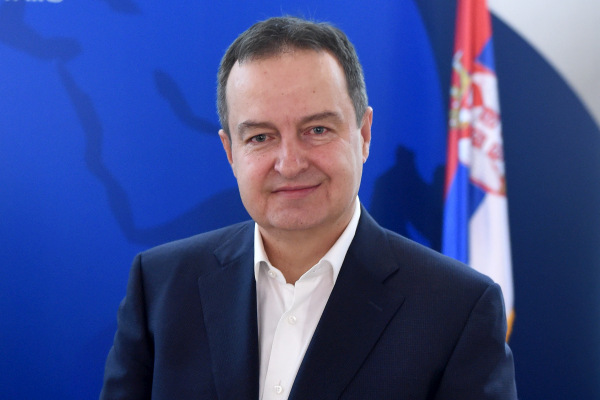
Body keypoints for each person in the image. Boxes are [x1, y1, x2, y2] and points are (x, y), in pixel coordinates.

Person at [100, 16, 517, 400]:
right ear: (230, 152)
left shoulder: (458, 310)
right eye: (260, 137)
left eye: (317, 129)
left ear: (364, 134)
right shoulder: (159, 289)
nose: (290, 163)